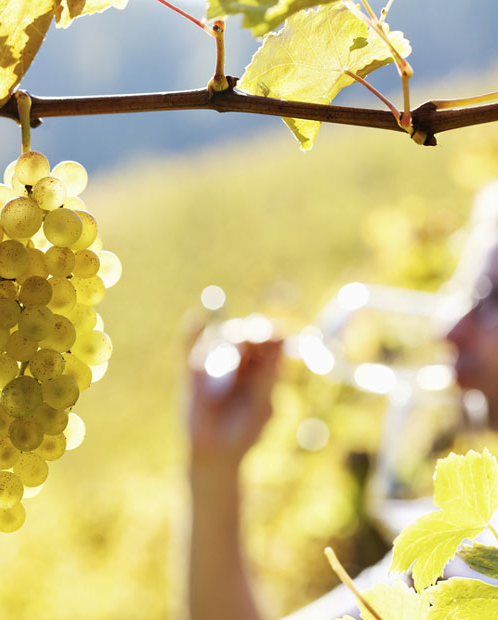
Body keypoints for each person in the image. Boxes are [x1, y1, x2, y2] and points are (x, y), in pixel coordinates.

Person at [185, 242, 498, 620]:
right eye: (463, 295)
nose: (449, 329)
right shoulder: (468, 558)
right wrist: (213, 468)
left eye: (491, 299)